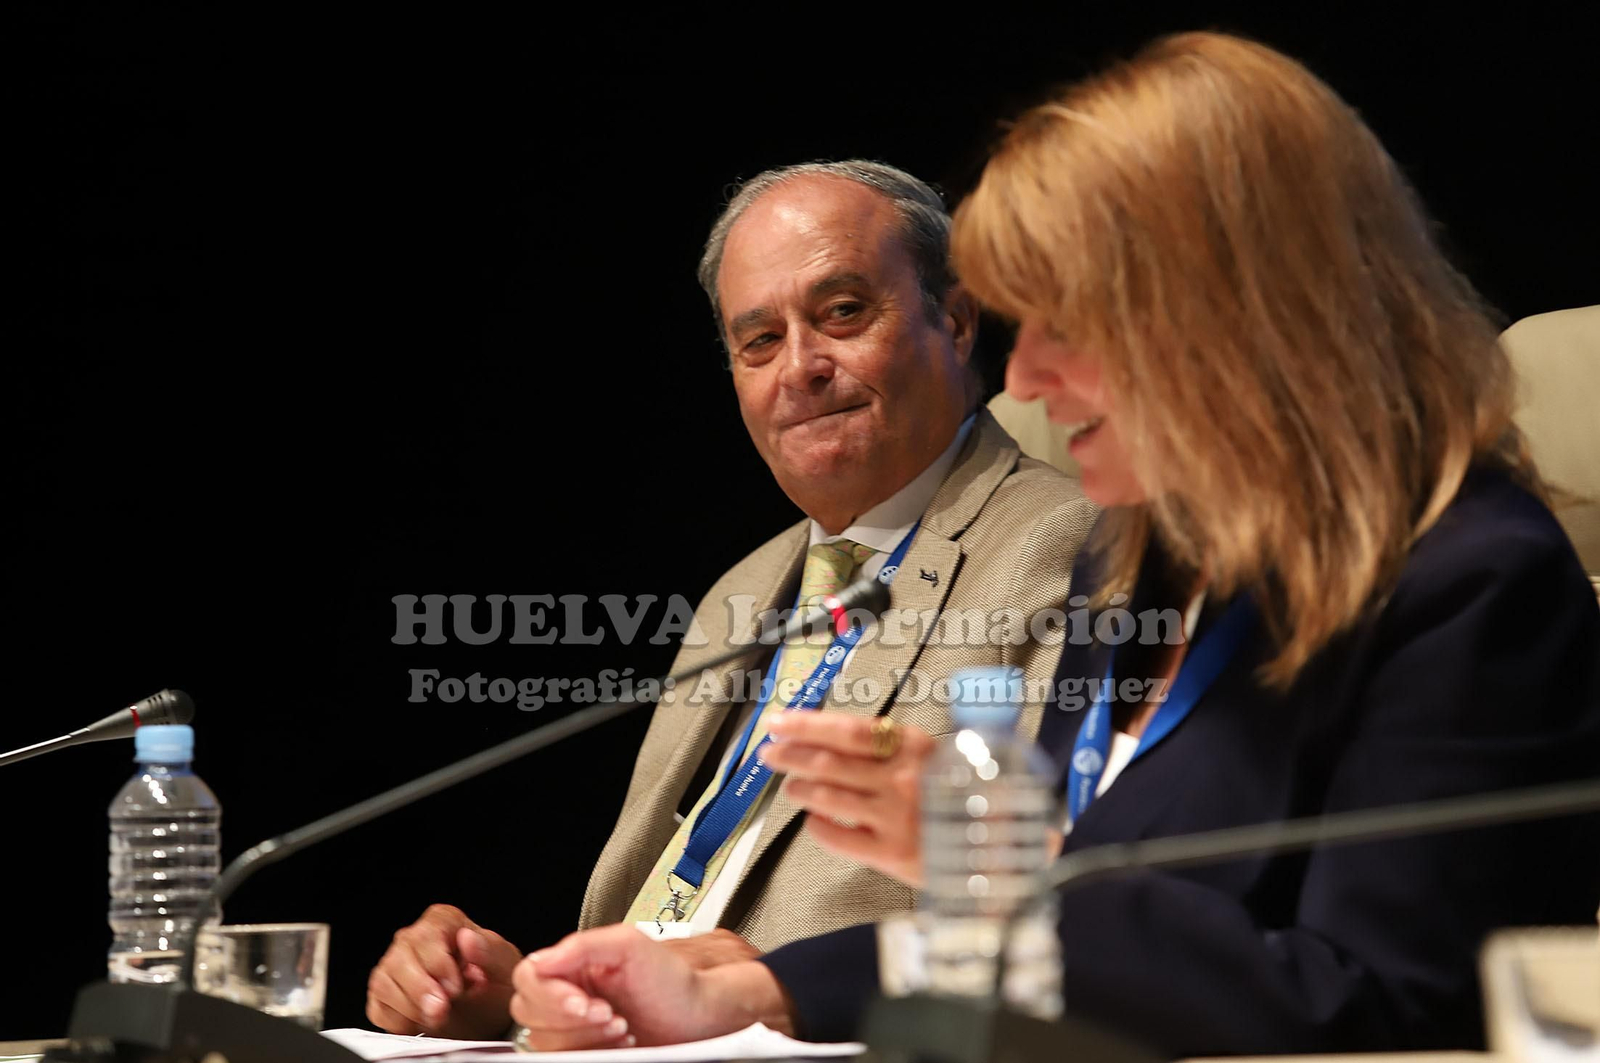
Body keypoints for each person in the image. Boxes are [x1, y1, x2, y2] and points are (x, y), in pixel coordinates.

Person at [500, 32, 1600, 1056]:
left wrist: (1007, 865)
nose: (1024, 383)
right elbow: (1046, 948)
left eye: (1068, 328)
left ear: (1238, 313)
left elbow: (1383, 1002)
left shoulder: (1472, 584)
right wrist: (755, 994)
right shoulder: (1135, 568)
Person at [364, 160, 1098, 1040]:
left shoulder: (1068, 547)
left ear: (956, 319)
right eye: (758, 341)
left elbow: (1080, 913)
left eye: (843, 313)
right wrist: (527, 996)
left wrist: (763, 992)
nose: (801, 367)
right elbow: (679, 904)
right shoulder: (743, 591)